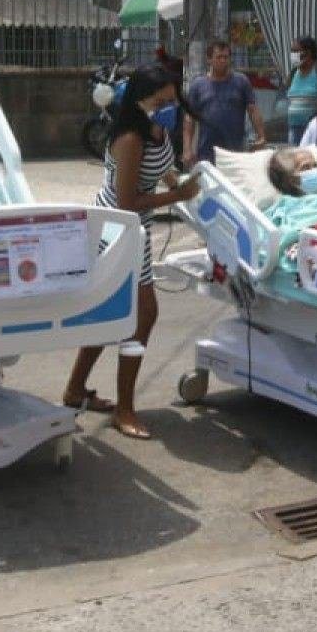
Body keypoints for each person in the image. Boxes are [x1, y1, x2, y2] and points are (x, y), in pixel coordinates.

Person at [61, 65, 199, 440]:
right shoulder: (129, 138)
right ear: (142, 98)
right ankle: (125, 408)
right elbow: (126, 201)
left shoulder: (154, 128)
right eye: (163, 101)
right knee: (142, 316)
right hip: (117, 229)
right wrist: (178, 196)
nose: (169, 107)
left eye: (172, 101)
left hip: (137, 229)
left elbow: (164, 168)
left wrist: (183, 184)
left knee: (113, 315)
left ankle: (75, 390)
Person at [184, 39, 265, 167]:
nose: (223, 61)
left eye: (226, 57)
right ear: (209, 59)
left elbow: (252, 110)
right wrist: (187, 148)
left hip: (235, 151)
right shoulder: (198, 85)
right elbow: (189, 119)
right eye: (219, 57)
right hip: (207, 151)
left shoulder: (241, 81)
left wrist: (261, 136)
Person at [284, 36, 317, 144]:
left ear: (308, 53)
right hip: (294, 129)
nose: (293, 55)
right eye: (292, 51)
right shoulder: (294, 73)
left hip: (315, 130)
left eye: (296, 51)